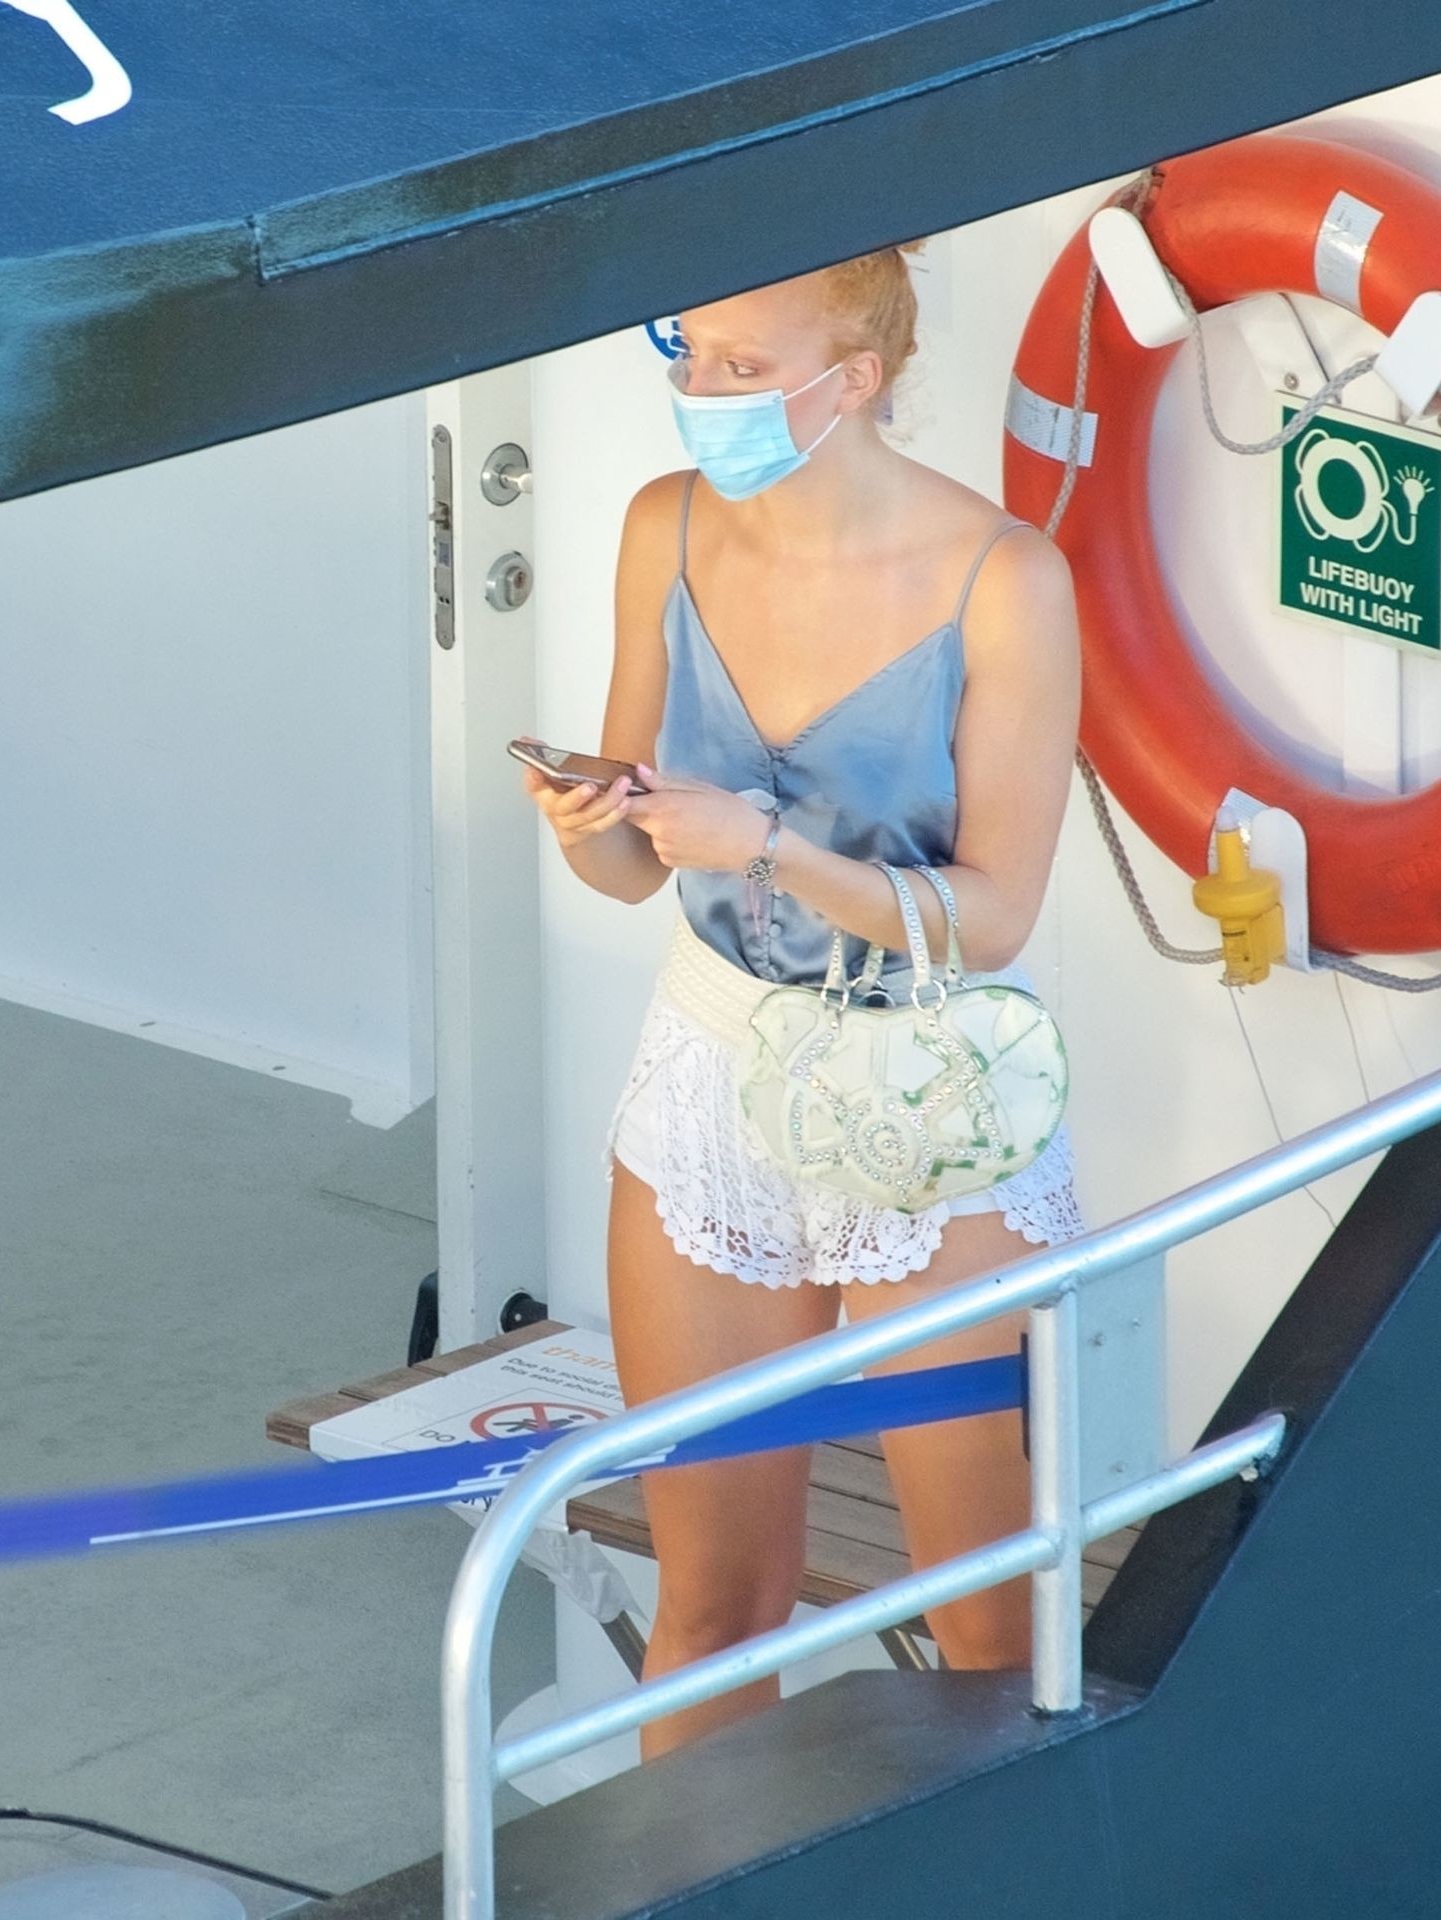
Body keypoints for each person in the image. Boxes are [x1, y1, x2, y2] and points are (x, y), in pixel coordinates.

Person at [521, 238, 1085, 1759]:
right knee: (709, 1605)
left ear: (855, 381)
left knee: (991, 1628)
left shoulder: (1006, 580)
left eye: (741, 367)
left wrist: (765, 844)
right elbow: (631, 874)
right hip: (711, 1066)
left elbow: (992, 918)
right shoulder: (662, 526)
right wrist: (589, 821)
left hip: (929, 1088)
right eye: (690, 354)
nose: (699, 392)